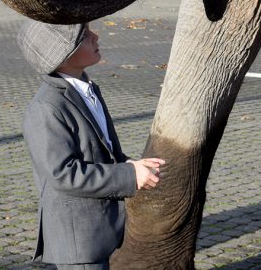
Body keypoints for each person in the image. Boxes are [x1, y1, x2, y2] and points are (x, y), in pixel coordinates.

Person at [18, 20, 165, 270]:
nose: (96, 36)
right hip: (79, 242)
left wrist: (129, 163)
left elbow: (99, 150)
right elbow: (64, 174)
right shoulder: (46, 108)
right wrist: (128, 175)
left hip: (97, 231)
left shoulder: (87, 90)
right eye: (85, 35)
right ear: (63, 54)